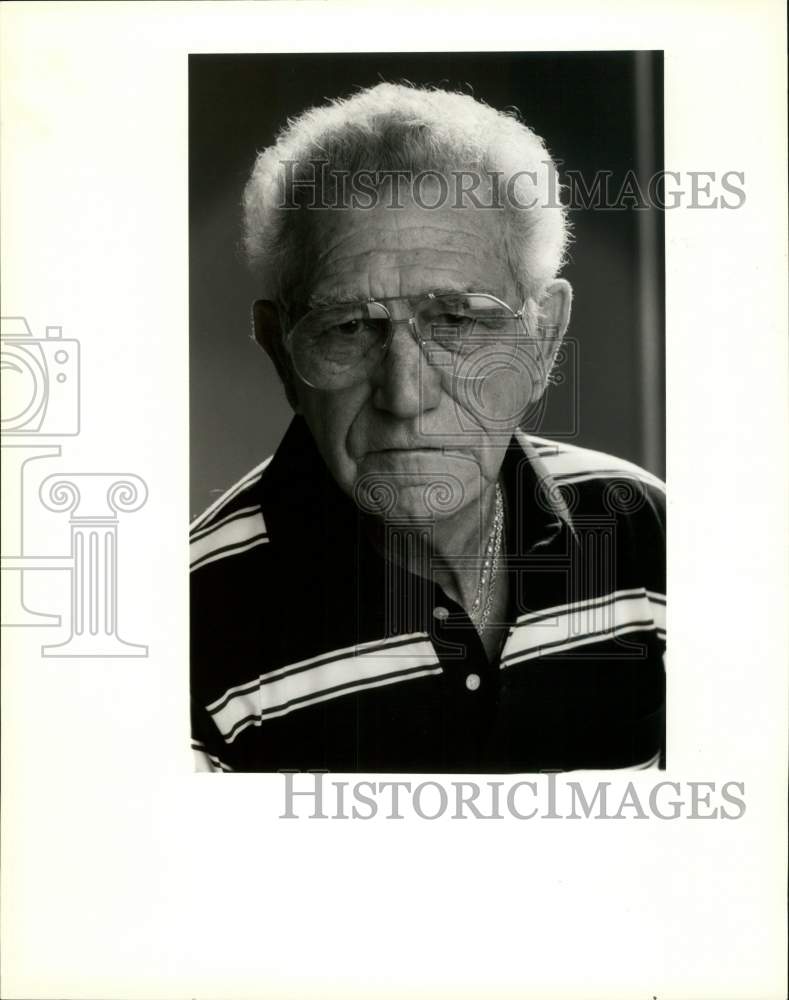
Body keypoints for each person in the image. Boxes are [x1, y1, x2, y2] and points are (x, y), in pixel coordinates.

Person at [190, 82, 666, 773]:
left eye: (458, 320)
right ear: (280, 351)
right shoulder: (184, 630)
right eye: (349, 327)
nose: (405, 394)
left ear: (543, 338)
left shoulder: (647, 534)